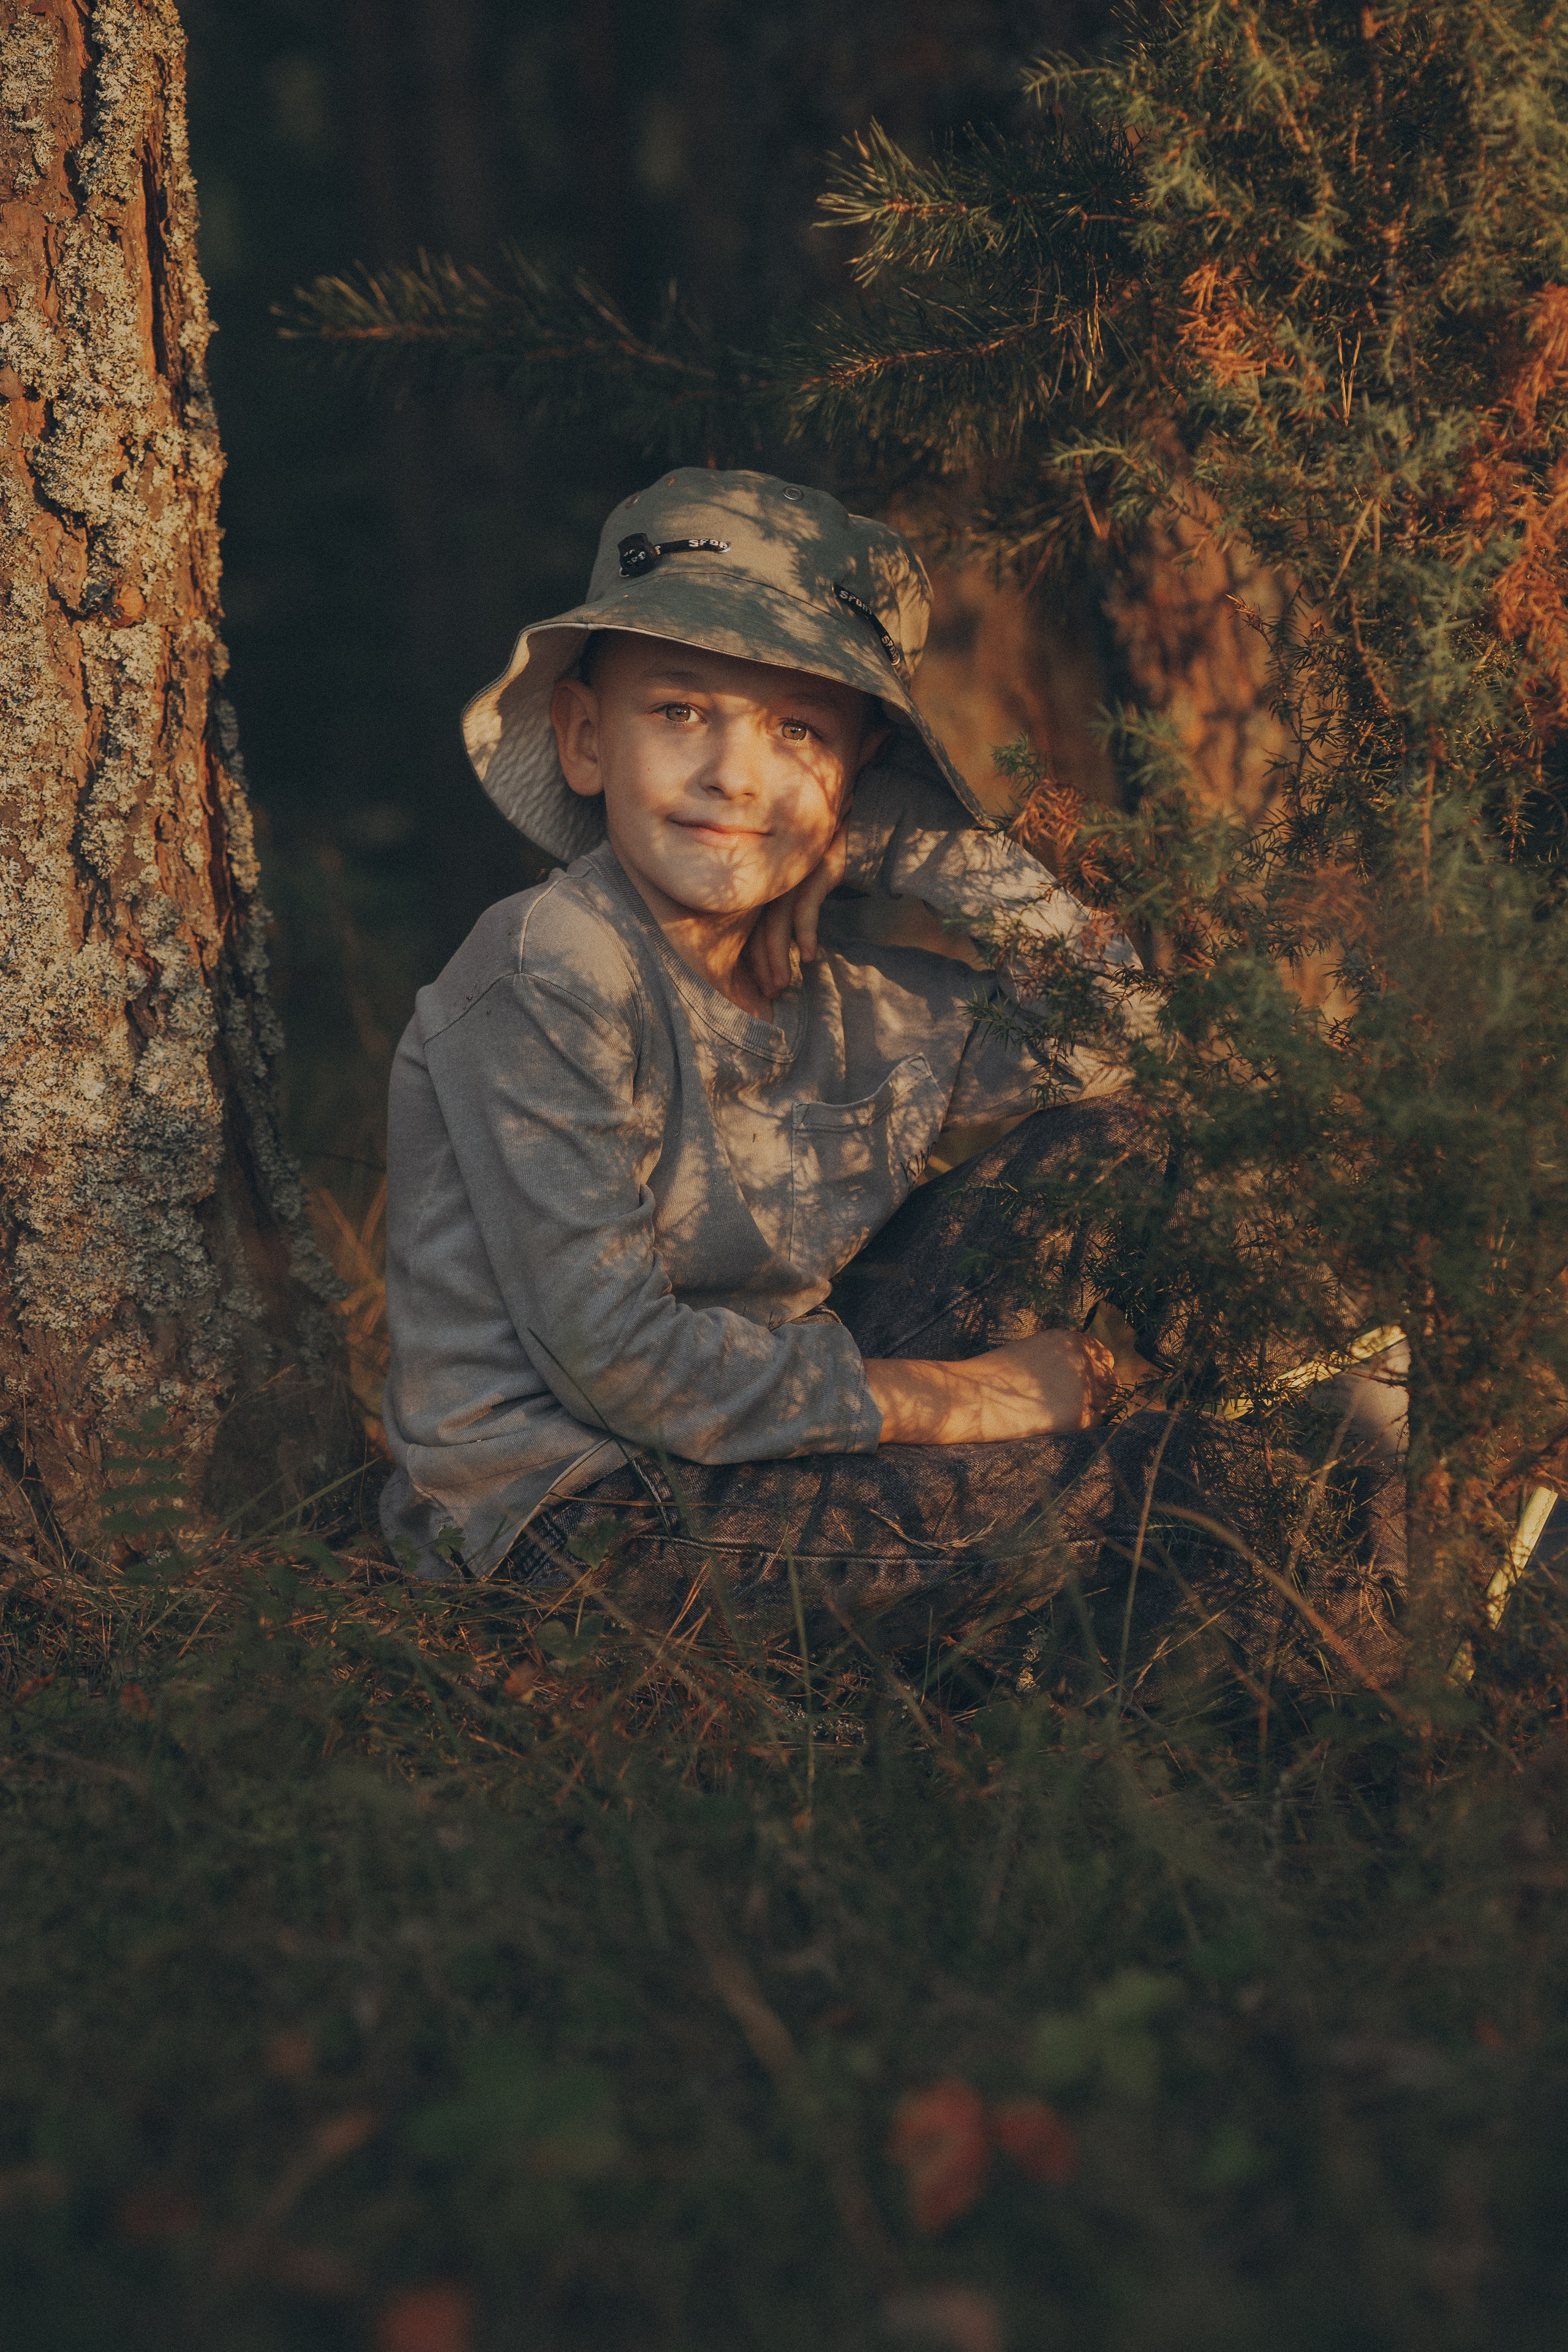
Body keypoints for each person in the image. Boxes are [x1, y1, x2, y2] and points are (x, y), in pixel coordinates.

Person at [377, 468, 1396, 1659]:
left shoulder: (845, 1002)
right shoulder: (551, 966)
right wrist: (977, 1403)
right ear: (584, 738)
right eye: (679, 712)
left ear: (854, 778)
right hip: (577, 1530)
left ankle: (1403, 1497)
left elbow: (1117, 1044)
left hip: (767, 1441)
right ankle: (1410, 1681)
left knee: (1119, 1149)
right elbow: (618, 1366)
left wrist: (900, 839)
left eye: (797, 732)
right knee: (1168, 1488)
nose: (733, 776)